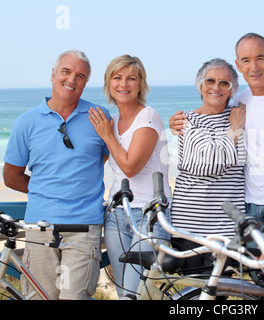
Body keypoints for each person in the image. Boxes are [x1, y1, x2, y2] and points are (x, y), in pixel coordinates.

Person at [170, 34, 264, 248]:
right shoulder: (239, 101)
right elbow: (214, 116)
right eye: (246, 60)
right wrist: (175, 122)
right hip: (248, 207)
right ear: (239, 65)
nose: (254, 67)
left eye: (259, 58)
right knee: (256, 278)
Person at [3, 50, 110, 300]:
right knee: (40, 297)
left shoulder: (99, 116)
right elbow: (11, 176)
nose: (72, 79)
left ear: (85, 83)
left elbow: (107, 156)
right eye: (66, 71)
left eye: (80, 75)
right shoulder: (26, 122)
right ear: (53, 74)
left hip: (84, 228)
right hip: (39, 227)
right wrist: (48, 190)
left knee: (74, 297)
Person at [88, 55, 172, 299]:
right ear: (108, 83)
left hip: (149, 216)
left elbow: (130, 167)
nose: (123, 84)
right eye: (117, 78)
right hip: (116, 215)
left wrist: (106, 136)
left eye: (131, 79)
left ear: (140, 84)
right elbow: (97, 164)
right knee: (124, 291)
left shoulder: (148, 117)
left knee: (137, 294)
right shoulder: (111, 122)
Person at [170, 58, 246, 268]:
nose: (216, 87)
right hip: (190, 229)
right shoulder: (186, 120)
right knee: (194, 294)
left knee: (219, 293)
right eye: (210, 80)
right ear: (200, 85)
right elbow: (210, 162)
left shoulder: (238, 116)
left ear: (232, 90)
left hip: (228, 231)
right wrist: (236, 129)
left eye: (224, 83)